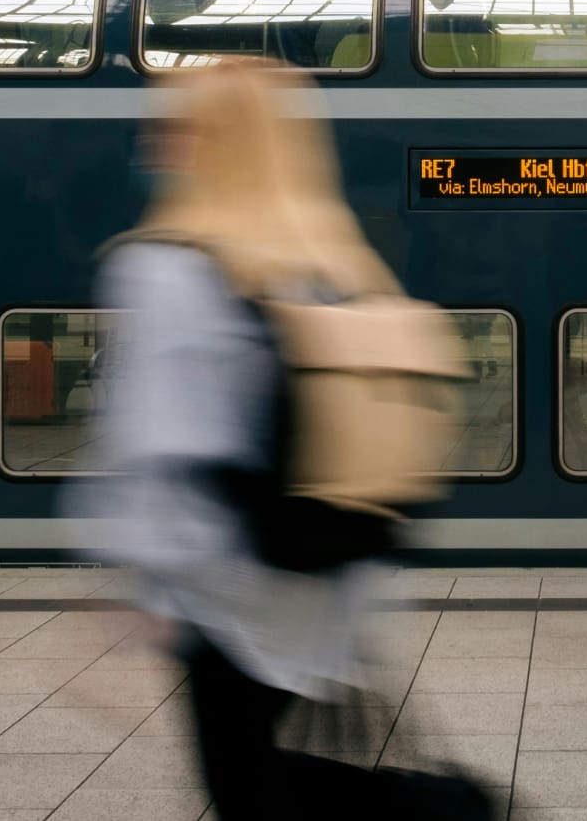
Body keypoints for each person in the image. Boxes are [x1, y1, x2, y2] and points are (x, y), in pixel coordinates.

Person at [79, 60, 422, 818]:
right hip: (322, 586)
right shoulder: (334, 263)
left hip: (227, 597)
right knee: (280, 783)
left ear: (202, 143)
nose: (153, 144)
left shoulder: (166, 267)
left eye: (170, 129)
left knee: (248, 792)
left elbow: (160, 440)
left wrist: (137, 588)